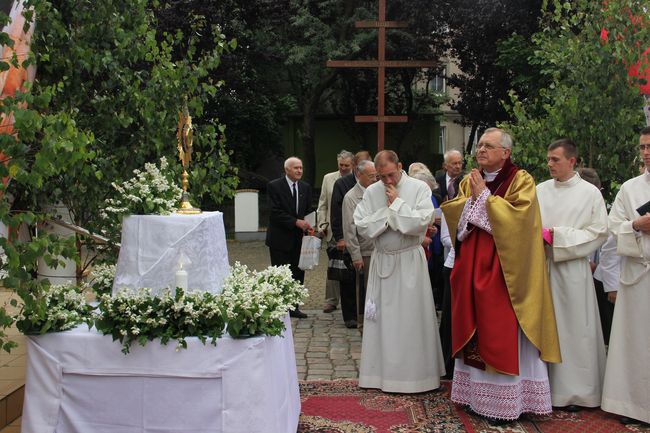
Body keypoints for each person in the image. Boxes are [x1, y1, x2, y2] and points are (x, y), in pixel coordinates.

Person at [441, 127, 561, 422]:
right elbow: (458, 215)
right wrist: (475, 199)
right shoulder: (472, 181)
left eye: (488, 146)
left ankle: (504, 404)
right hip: (473, 267)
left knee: (499, 330)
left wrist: (483, 197)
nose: (480, 150)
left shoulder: (521, 180)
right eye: (480, 145)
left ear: (505, 152)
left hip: (506, 272)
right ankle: (473, 397)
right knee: (475, 328)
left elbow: (520, 223)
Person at [354, 150, 445, 393]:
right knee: (384, 321)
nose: (387, 181)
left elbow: (422, 221)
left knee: (411, 321)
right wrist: (388, 215)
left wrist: (398, 204)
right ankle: (379, 375)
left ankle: (417, 377)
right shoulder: (372, 191)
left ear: (400, 166)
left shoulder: (419, 188)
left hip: (409, 262)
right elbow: (361, 224)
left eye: (391, 175)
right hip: (383, 261)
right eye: (381, 177)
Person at [536, 139, 608, 410]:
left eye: (555, 159)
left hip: (573, 270)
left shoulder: (590, 193)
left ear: (572, 161)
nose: (549, 164)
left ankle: (577, 392)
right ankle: (542, 388)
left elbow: (599, 231)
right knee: (545, 327)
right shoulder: (539, 190)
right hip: (542, 267)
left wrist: (557, 236)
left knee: (575, 330)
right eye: (549, 159)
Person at [601, 126, 650, 425]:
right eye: (643, 147)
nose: (646, 152)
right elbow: (612, 227)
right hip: (636, 276)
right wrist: (635, 224)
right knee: (635, 341)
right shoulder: (629, 188)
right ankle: (633, 405)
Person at [265, 156, 313, 318]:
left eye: (301, 167)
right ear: (287, 170)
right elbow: (274, 212)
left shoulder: (305, 187)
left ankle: (294, 307)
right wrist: (295, 222)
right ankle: (279, 307)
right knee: (281, 274)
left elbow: (308, 210)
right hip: (280, 239)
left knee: (298, 273)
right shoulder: (274, 186)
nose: (299, 170)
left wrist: (311, 225)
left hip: (300, 239)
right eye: (296, 168)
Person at [342, 160, 378, 330]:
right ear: (359, 174)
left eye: (375, 175)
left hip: (379, 247)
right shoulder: (351, 197)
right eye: (371, 176)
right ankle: (363, 322)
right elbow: (349, 229)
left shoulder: (377, 191)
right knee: (364, 289)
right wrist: (355, 256)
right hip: (364, 251)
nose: (374, 179)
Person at [319, 150, 354, 313]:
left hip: (352, 228)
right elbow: (323, 204)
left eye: (347, 165)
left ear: (352, 165)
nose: (343, 168)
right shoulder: (328, 178)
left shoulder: (356, 179)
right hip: (333, 229)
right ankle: (331, 300)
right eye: (341, 165)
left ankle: (353, 300)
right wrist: (322, 225)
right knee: (333, 264)